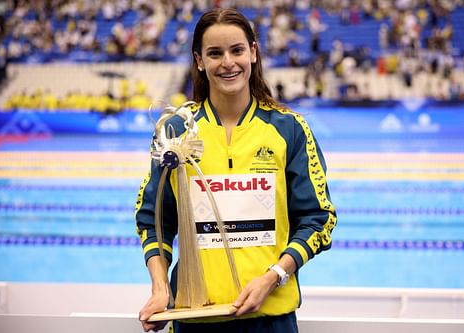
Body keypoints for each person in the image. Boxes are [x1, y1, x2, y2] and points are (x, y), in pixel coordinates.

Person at [135, 7, 337, 333]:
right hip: (193, 319)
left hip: (271, 320)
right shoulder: (175, 131)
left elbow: (318, 219)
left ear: (253, 53)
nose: (227, 62)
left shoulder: (289, 130)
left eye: (237, 50)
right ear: (199, 61)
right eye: (215, 53)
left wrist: (275, 276)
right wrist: (160, 288)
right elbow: (153, 219)